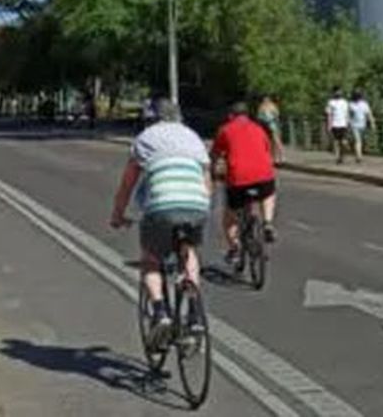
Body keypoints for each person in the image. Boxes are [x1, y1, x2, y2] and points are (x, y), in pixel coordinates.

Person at [110, 99, 212, 350]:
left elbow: (128, 184)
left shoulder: (145, 138)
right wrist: (201, 207)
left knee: (150, 259)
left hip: (162, 207)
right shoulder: (193, 137)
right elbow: (207, 180)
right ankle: (196, 315)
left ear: (151, 118)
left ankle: (159, 311)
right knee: (188, 250)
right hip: (196, 204)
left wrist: (118, 214)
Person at [210, 100, 278, 263]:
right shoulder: (259, 128)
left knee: (229, 216)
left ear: (230, 116)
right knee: (268, 194)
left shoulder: (225, 130)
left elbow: (215, 154)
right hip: (264, 176)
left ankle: (234, 248)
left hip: (238, 179)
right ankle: (267, 222)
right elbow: (267, 149)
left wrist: (214, 172)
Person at [325, 88, 350, 164]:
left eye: (339, 92)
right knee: (336, 141)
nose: (338, 93)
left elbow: (346, 113)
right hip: (335, 124)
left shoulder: (345, 102)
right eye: (336, 92)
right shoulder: (331, 102)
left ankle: (343, 153)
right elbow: (329, 114)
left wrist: (348, 122)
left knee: (343, 141)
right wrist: (329, 125)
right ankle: (338, 157)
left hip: (343, 124)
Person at [348, 90, 373, 162]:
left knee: (361, 140)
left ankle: (359, 153)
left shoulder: (364, 104)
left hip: (362, 125)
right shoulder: (351, 104)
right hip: (354, 125)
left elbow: (368, 114)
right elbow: (349, 115)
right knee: (357, 140)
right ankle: (359, 156)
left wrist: (371, 122)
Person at [255, 95, 283, 161]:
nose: (265, 101)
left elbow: (277, 115)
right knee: (269, 142)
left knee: (276, 140)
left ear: (269, 100)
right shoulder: (262, 107)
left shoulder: (271, 106)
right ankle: (273, 157)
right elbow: (258, 117)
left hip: (272, 125)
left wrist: (273, 120)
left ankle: (280, 156)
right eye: (264, 100)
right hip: (266, 125)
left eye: (267, 100)